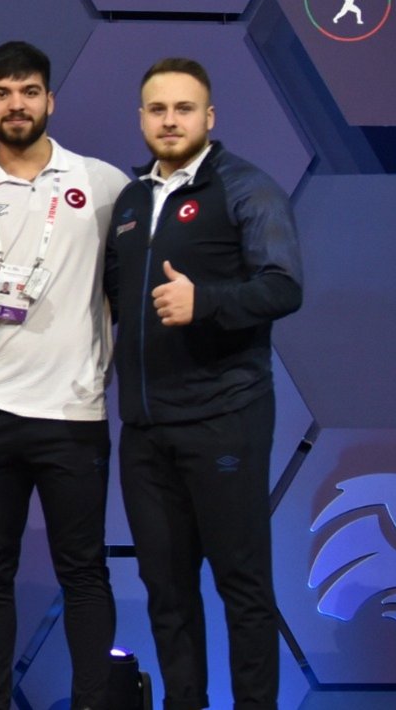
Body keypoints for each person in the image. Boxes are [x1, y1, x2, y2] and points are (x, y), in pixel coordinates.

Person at [0, 41, 126, 709]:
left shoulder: (102, 184)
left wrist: (99, 366)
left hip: (73, 415)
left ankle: (92, 701)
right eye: (2, 94)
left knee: (85, 571)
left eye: (28, 91)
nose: (16, 105)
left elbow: (124, 291)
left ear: (49, 100)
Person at [105, 58, 303, 710]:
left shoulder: (247, 188)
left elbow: (283, 285)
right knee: (166, 591)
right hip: (144, 432)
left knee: (242, 586)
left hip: (226, 418)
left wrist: (207, 301)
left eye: (183, 108)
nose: (169, 120)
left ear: (209, 117)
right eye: (157, 109)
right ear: (141, 119)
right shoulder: (132, 201)